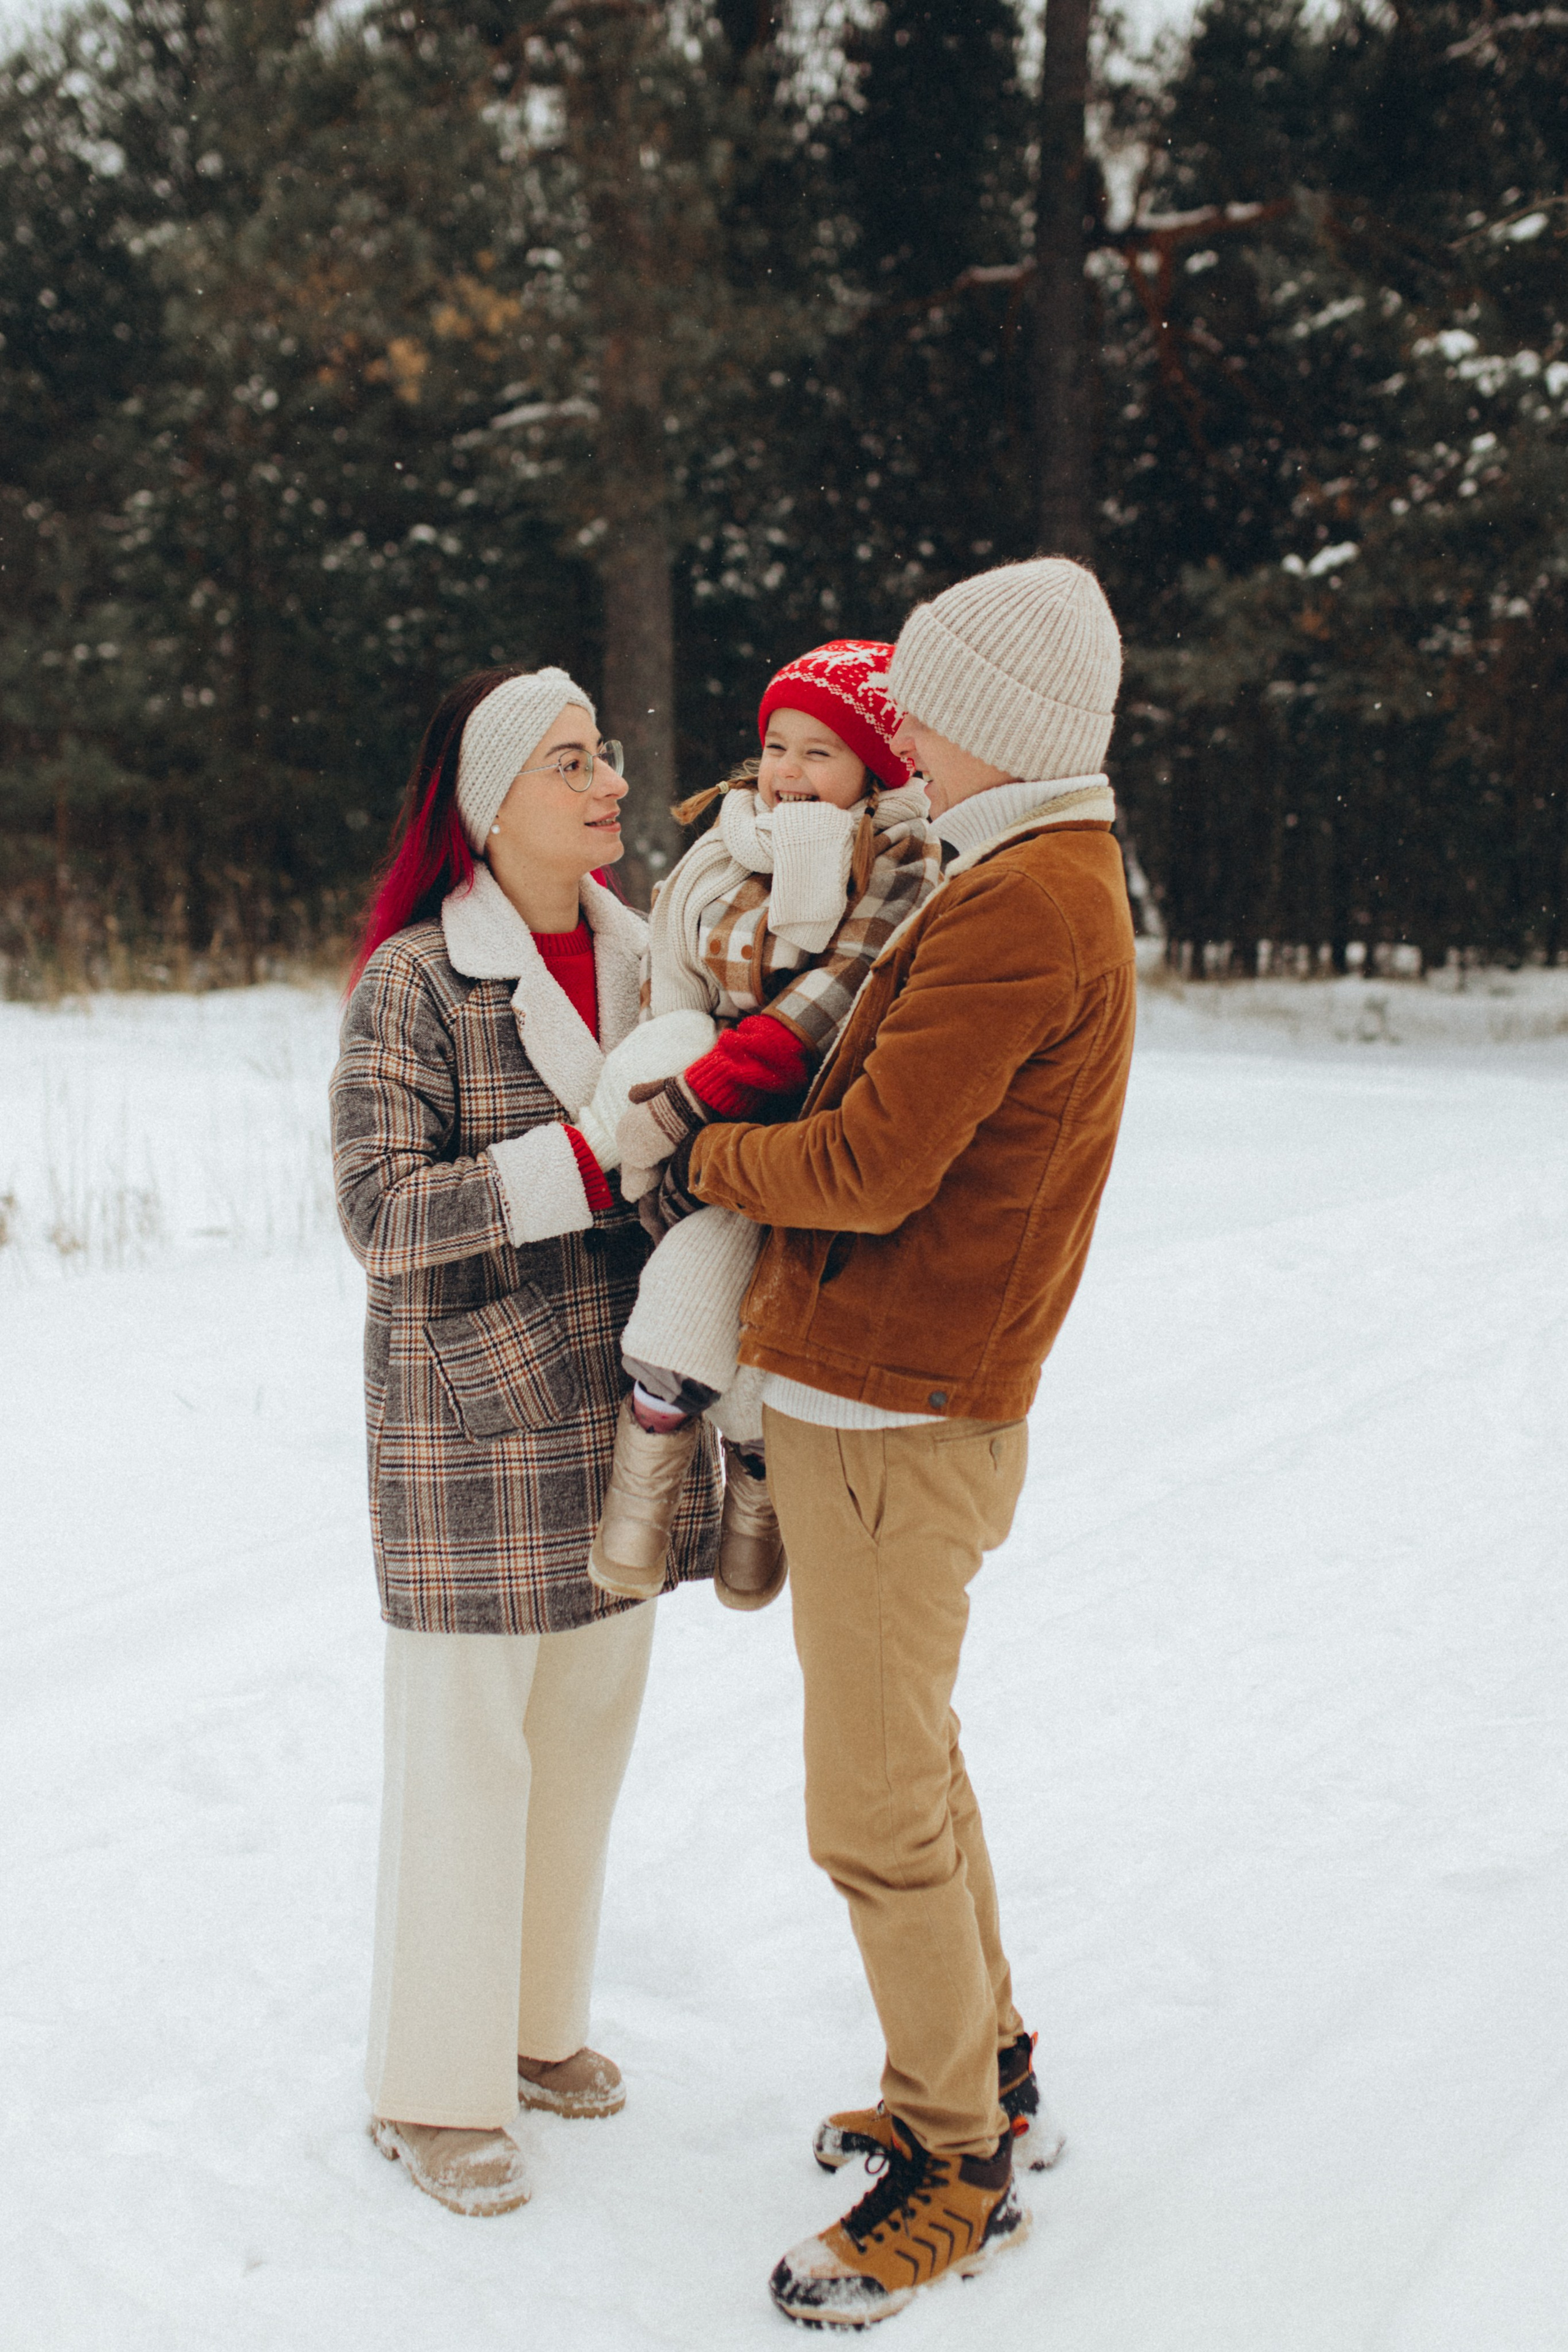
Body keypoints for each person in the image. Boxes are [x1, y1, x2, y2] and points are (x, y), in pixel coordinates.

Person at [643, 560, 1136, 2326]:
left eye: (925, 704)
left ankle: (953, 2161)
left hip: (892, 1407)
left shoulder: (1022, 903)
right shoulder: (1042, 874)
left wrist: (698, 1163)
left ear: (994, 724)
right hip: (925, 1393)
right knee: (915, 1761)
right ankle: (984, 2066)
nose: (900, 732)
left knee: (870, 1813)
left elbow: (862, 1163)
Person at [330, 665, 720, 2219]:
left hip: (622, 1408)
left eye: (607, 753)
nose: (611, 780)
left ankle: (536, 2030)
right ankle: (430, 2087)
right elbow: (376, 1214)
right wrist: (577, 1158)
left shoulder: (653, 958)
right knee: (464, 1765)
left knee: (581, 1746)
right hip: (468, 1420)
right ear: (493, 808)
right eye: (572, 762)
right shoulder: (416, 982)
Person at [567, 641, 939, 1608]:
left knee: (742, 1313)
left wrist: (704, 1101)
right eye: (778, 746)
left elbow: (833, 994)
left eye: (821, 753)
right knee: (691, 1275)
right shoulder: (723, 844)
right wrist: (674, 1083)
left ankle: (753, 1501)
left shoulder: (899, 857)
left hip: (800, 1105)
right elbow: (674, 989)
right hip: (702, 1090)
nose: (788, 774)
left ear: (876, 771)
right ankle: (643, 1500)